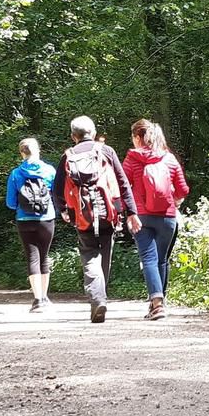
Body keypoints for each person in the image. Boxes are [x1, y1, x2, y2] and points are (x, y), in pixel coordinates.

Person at [53, 116, 140, 323]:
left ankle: (98, 299)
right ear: (92, 133)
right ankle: (101, 297)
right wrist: (131, 212)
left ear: (74, 136)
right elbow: (123, 182)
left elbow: (57, 189)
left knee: (89, 255)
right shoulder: (106, 151)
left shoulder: (68, 156)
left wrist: (63, 210)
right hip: (108, 213)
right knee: (105, 254)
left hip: (82, 214)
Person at [123, 119, 190, 320]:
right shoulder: (169, 159)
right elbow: (183, 189)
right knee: (162, 259)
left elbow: (123, 188)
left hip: (141, 217)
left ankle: (157, 303)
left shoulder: (131, 160)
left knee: (149, 259)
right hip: (167, 217)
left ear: (137, 137)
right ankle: (160, 303)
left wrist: (128, 212)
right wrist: (175, 200)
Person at [5, 137, 58, 313]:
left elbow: (10, 203)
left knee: (32, 258)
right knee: (44, 256)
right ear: (38, 150)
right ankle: (45, 296)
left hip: (24, 220)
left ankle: (37, 300)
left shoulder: (15, 174)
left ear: (22, 153)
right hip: (46, 218)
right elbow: (57, 195)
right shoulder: (49, 170)